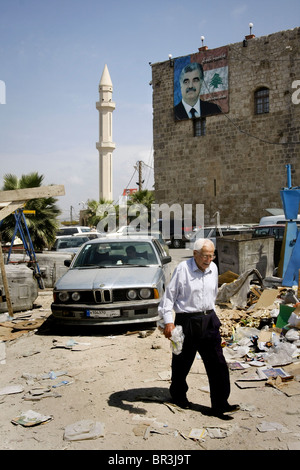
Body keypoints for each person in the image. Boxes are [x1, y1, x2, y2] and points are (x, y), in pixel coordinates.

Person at [158, 238, 239, 418]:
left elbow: (213, 296)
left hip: (208, 320)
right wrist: (168, 322)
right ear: (195, 254)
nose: (208, 260)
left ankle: (220, 404)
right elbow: (168, 298)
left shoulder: (214, 268)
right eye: (205, 256)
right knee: (181, 363)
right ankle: (178, 396)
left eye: (212, 256)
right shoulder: (182, 269)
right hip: (185, 321)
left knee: (217, 363)